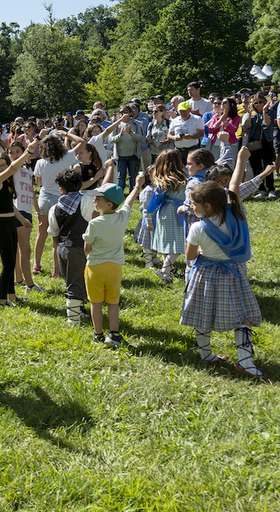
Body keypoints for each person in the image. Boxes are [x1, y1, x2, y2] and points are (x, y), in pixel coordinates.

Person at [181, 178, 263, 377]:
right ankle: (245, 362)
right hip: (233, 274)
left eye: (194, 204)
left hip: (205, 276)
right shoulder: (237, 216)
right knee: (243, 316)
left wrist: (200, 249)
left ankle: (206, 355)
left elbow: (190, 256)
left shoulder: (198, 228)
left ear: (207, 206)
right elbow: (234, 189)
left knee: (202, 317)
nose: (191, 207)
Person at [84, 177, 144, 348]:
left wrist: (89, 258)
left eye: (98, 199)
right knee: (113, 302)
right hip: (115, 267)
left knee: (95, 303)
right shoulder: (123, 217)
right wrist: (138, 185)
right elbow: (130, 200)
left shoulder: (94, 223)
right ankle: (115, 335)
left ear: (109, 204)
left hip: (95, 267)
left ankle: (98, 335)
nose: (94, 201)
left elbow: (87, 246)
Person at [33, 131, 87, 277]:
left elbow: (38, 183)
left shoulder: (39, 163)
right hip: (61, 200)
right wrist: (67, 134)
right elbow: (82, 142)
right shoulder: (67, 157)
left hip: (44, 198)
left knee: (41, 233)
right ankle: (56, 269)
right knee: (58, 236)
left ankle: (36, 264)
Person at [0, 148, 37, 307]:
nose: (0, 168)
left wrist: (23, 220)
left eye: (3, 165)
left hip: (11, 224)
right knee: (8, 264)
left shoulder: (7, 184)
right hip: (0, 226)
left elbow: (11, 206)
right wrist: (29, 151)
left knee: (11, 260)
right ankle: (3, 301)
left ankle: (12, 296)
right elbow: (14, 168)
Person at [48, 169, 95, 325]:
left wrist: (61, 244)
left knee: (72, 281)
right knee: (76, 284)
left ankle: (79, 311)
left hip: (62, 247)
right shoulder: (86, 201)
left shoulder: (54, 209)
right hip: (80, 247)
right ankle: (73, 320)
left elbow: (54, 232)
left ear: (61, 189)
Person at [6, 140, 44, 292]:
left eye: (17, 151)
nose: (14, 155)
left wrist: (38, 211)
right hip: (18, 210)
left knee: (20, 249)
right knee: (25, 249)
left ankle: (19, 279)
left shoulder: (28, 170)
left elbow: (31, 191)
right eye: (11, 152)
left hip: (27, 209)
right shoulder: (11, 169)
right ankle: (29, 284)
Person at [150, 149, 189, 285]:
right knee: (178, 244)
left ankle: (169, 267)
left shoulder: (163, 178)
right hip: (176, 211)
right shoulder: (184, 176)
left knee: (167, 242)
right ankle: (165, 270)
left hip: (164, 211)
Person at [242, 93, 276, 198]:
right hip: (253, 143)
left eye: (260, 102)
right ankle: (261, 189)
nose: (258, 104)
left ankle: (271, 189)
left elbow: (267, 123)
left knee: (267, 165)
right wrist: (248, 114)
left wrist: (265, 112)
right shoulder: (249, 114)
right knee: (256, 166)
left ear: (264, 102)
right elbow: (246, 128)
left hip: (266, 141)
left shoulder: (271, 112)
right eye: (255, 102)